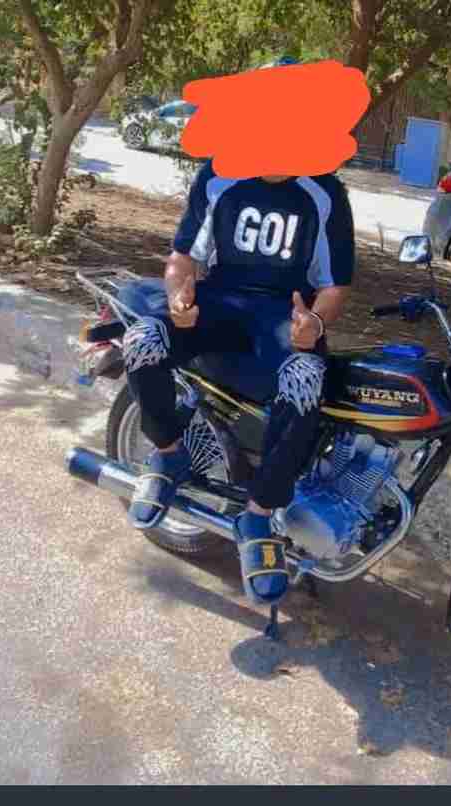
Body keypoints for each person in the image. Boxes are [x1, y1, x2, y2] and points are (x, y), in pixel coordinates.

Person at [121, 149, 355, 609]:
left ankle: (258, 514)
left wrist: (315, 322)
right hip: (217, 304)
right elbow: (182, 257)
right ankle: (167, 454)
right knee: (144, 340)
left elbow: (334, 286)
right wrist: (178, 299)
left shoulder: (324, 191)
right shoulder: (219, 174)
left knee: (305, 377)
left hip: (284, 317)